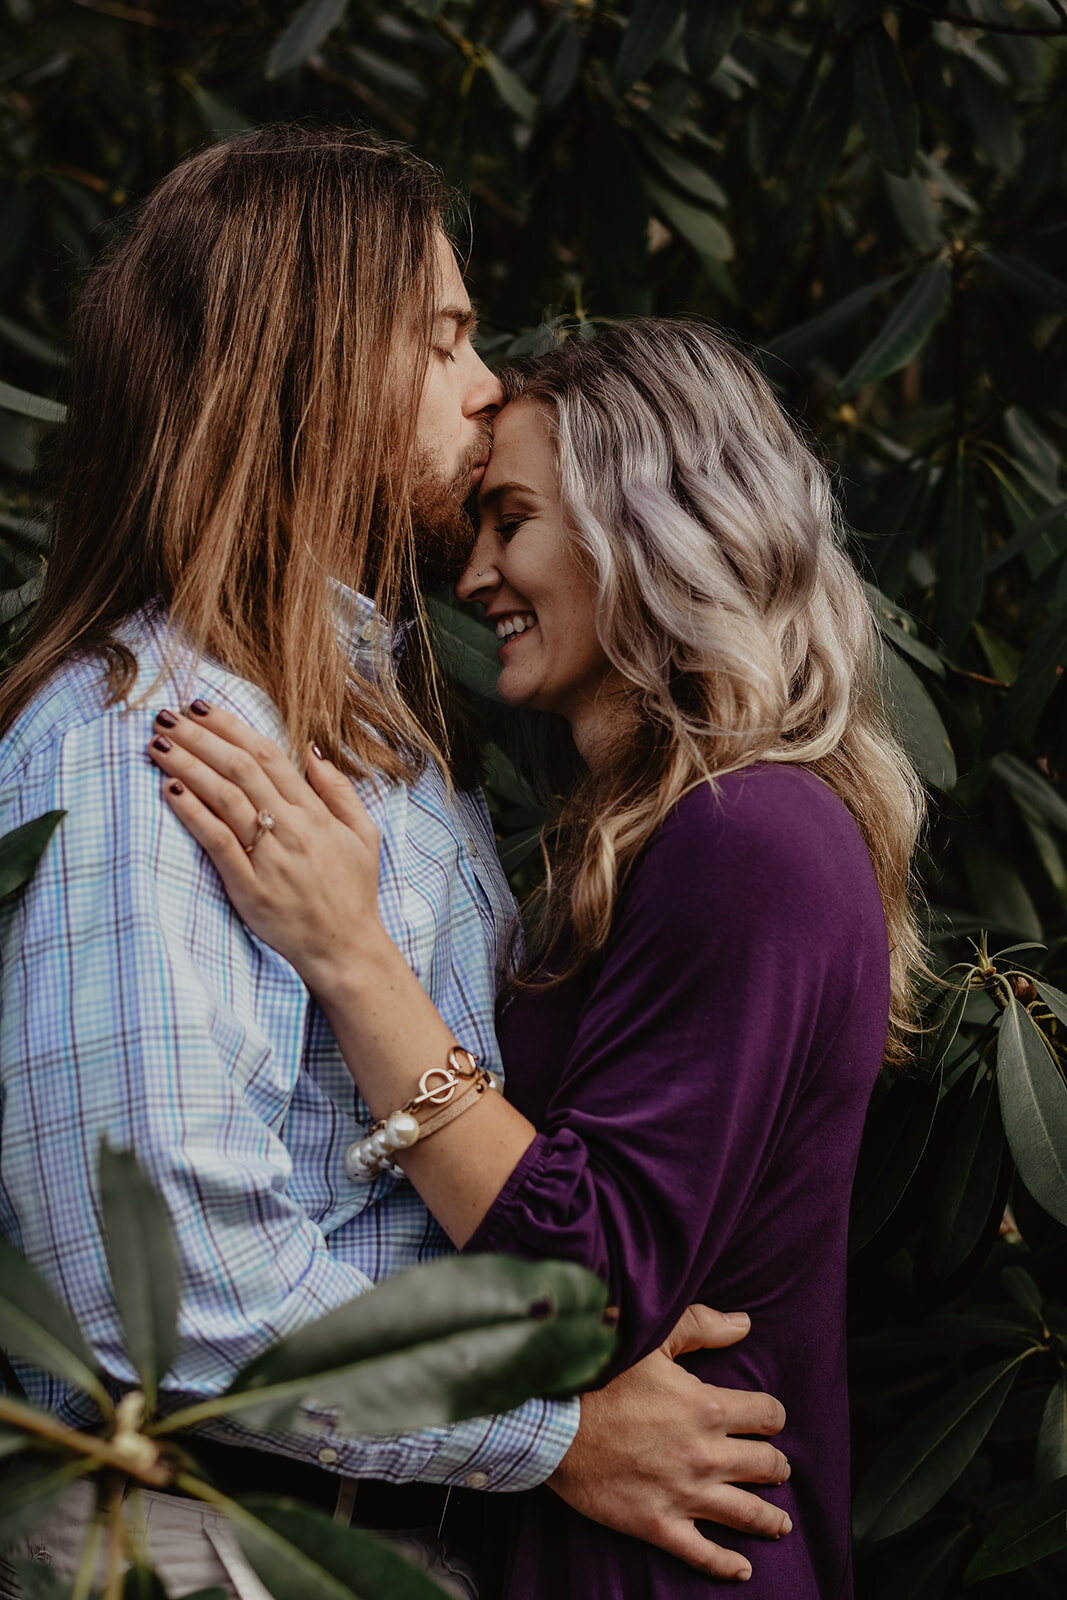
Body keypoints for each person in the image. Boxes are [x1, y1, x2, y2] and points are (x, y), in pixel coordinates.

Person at [0, 132, 791, 1599]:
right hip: (197, 1537)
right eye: (441, 339)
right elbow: (155, 1280)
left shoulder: (375, 732)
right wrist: (549, 1430)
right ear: (303, 370)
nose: (486, 383)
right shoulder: (142, 741)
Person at [145, 319, 927, 1598]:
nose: (475, 577)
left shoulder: (757, 836)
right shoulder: (662, 843)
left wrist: (351, 955)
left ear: (647, 522)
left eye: (511, 520)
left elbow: (585, 1287)